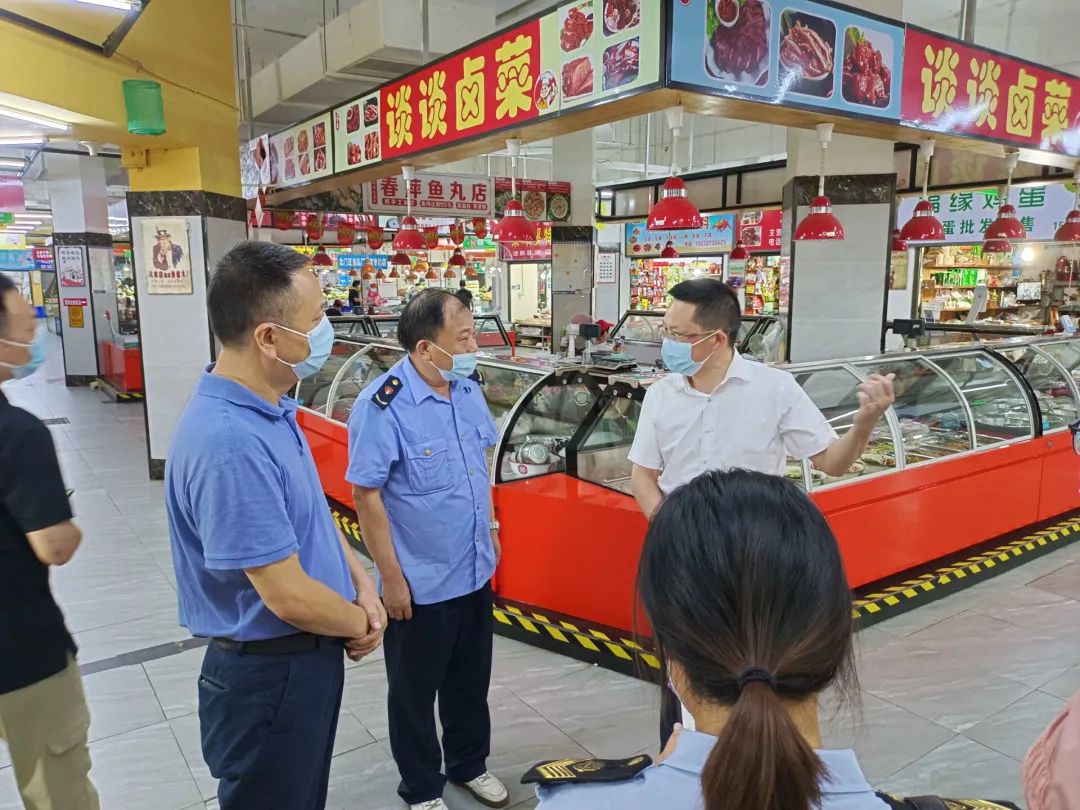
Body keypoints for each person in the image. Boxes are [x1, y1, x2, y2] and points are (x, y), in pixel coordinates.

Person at [165, 241, 386, 810]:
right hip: (268, 676)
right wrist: (359, 620)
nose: (326, 331)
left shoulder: (271, 408)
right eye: (316, 320)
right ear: (268, 336)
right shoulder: (231, 443)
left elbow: (307, 513)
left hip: (302, 659)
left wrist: (361, 581)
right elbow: (285, 595)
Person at [628, 277, 895, 744]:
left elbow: (831, 463)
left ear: (718, 338)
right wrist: (671, 529)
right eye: (665, 331)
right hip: (685, 556)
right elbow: (643, 477)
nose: (667, 344)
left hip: (759, 559)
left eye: (679, 335)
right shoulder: (661, 395)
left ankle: (767, 756)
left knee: (760, 662)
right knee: (685, 673)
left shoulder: (774, 389)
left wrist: (864, 423)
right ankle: (685, 761)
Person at [348, 288, 508, 810]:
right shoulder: (383, 407)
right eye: (462, 338)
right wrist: (391, 579)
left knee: (469, 682)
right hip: (419, 581)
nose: (473, 345)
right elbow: (366, 495)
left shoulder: (465, 389)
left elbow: (478, 466)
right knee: (414, 695)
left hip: (472, 567)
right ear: (423, 348)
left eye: (474, 333)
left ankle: (469, 765)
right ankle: (421, 788)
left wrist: (491, 528)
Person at [0, 274, 100, 810]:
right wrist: (69, 520)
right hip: (20, 651)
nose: (36, 332)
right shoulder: (16, 432)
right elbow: (54, 545)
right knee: (57, 786)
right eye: (25, 324)